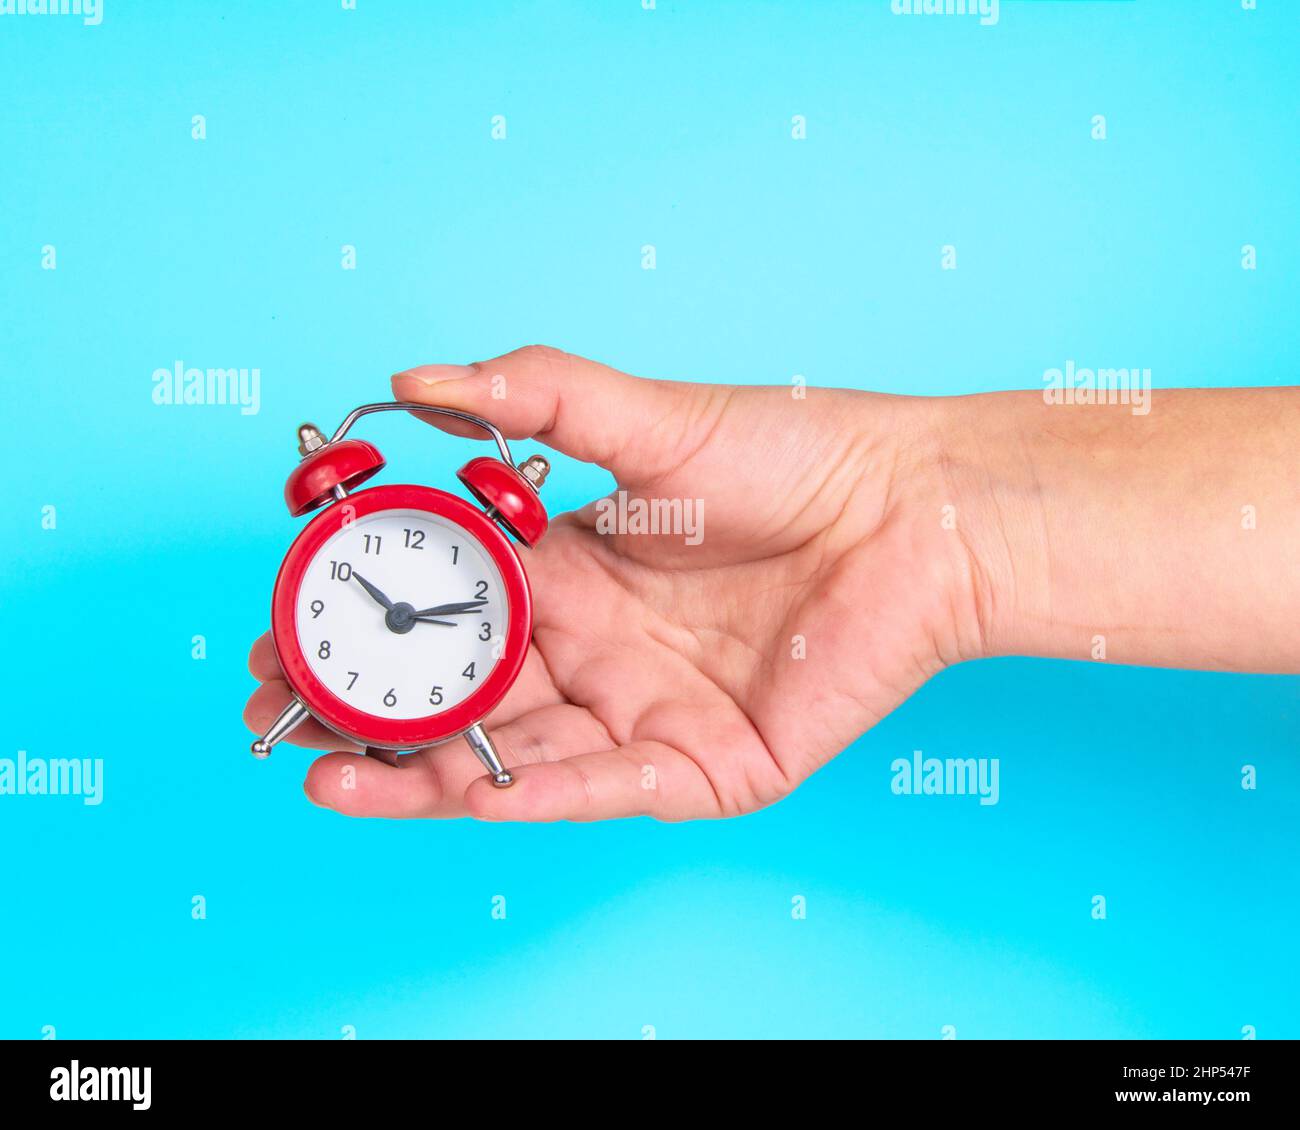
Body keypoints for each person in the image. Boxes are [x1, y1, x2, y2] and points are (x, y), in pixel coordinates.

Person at [243, 346, 1300, 822]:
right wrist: (909, 516)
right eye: (387, 601)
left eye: (420, 599)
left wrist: (884, 504)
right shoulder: (361, 522)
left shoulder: (484, 563)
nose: (396, 611)